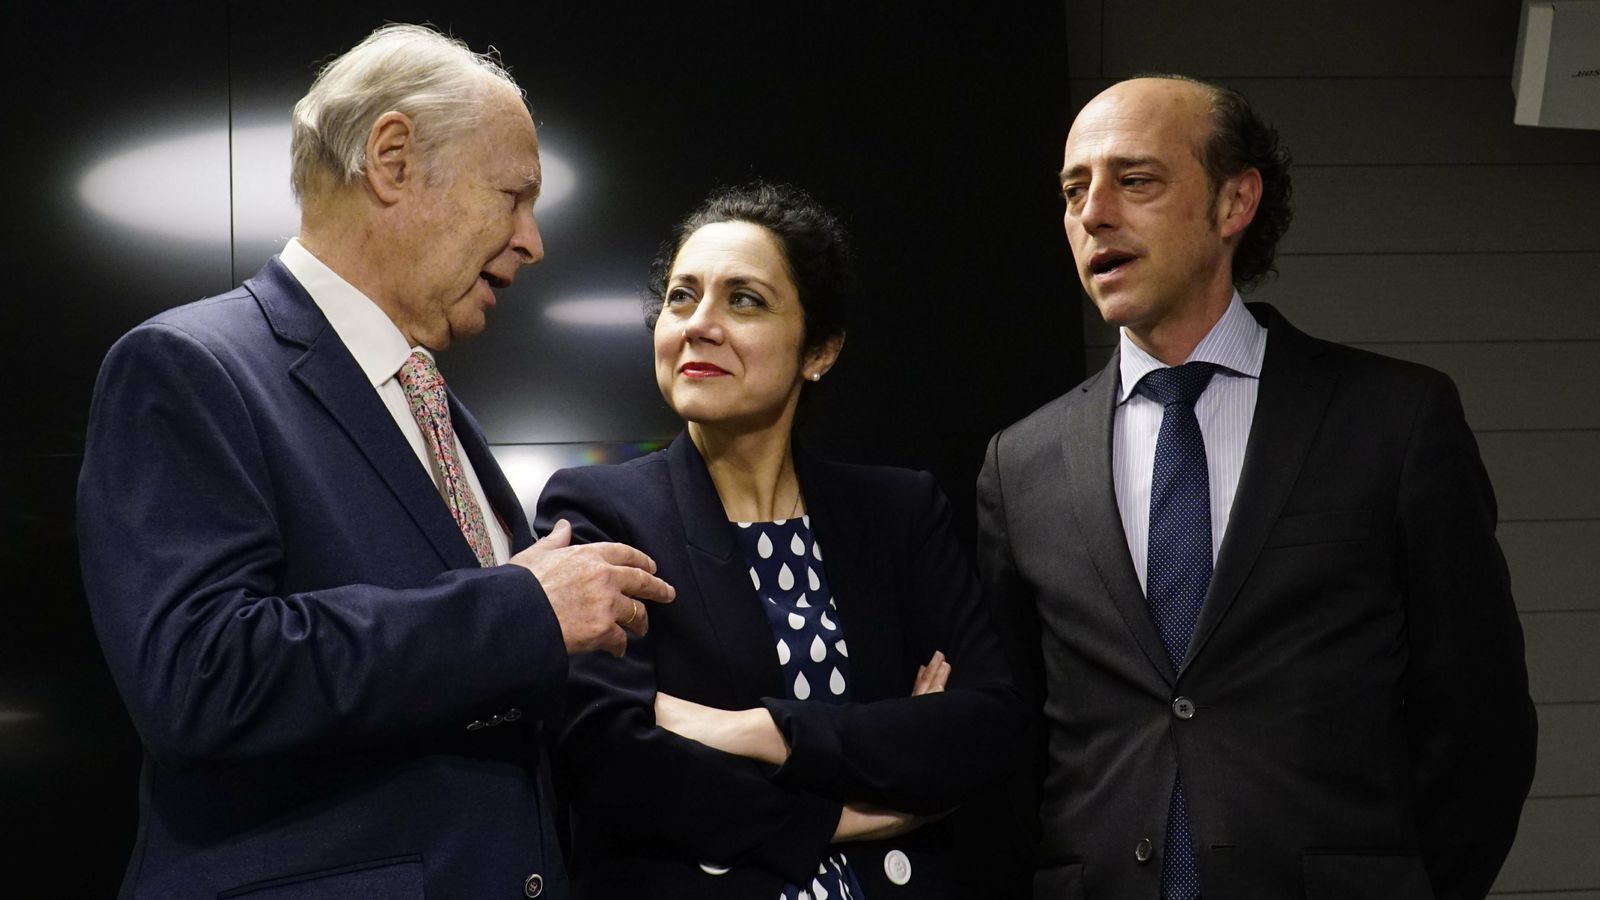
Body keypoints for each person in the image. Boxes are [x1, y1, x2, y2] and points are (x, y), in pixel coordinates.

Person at [76, 24, 673, 900]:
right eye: (513, 195)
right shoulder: (186, 367)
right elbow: (199, 678)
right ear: (392, 160)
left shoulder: (434, 404)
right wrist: (519, 609)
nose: (533, 241)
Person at [977, 75, 1538, 900]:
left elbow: (1479, 722)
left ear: (1235, 201)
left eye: (1134, 180)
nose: (1092, 213)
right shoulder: (1018, 462)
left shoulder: (1397, 420)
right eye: (1072, 190)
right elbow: (1012, 742)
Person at [535, 182, 1024, 899]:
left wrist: (761, 730)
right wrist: (851, 809)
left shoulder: (898, 511)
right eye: (681, 297)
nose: (699, 325)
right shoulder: (600, 509)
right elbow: (612, 761)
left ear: (819, 349)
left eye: (744, 300)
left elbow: (984, 728)